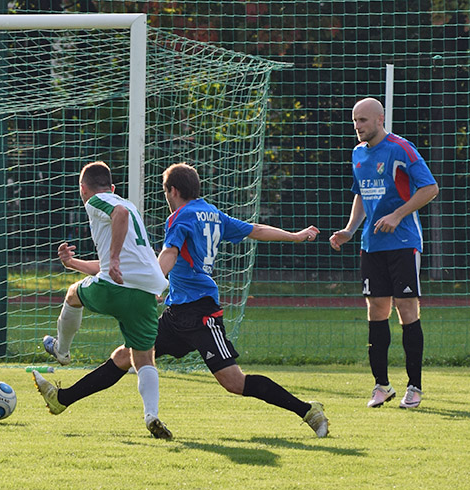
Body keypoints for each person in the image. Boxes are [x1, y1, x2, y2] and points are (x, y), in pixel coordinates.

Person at [37, 162, 329, 438]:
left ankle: (308, 411)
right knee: (125, 357)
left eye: (165, 192)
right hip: (177, 312)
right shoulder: (213, 213)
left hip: (201, 312)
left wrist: (156, 282)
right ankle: (63, 399)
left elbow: (169, 254)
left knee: (234, 382)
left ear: (172, 191)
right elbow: (255, 230)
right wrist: (294, 236)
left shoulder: (180, 217)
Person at [32, 161, 172, 439]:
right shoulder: (128, 204)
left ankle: (62, 351)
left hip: (116, 286)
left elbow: (117, 224)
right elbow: (111, 260)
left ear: (82, 189)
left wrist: (115, 259)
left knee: (73, 295)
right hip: (146, 291)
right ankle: (151, 416)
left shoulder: (98, 201)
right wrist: (73, 263)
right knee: (143, 358)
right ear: (113, 187)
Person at [330, 97, 438, 409]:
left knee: (406, 310)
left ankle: (414, 387)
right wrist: (350, 230)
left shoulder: (401, 148)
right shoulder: (357, 153)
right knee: (376, 310)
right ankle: (382, 386)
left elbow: (429, 188)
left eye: (363, 120)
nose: (357, 127)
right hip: (371, 246)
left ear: (380, 119)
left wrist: (397, 215)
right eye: (354, 121)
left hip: (403, 243)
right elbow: (361, 195)